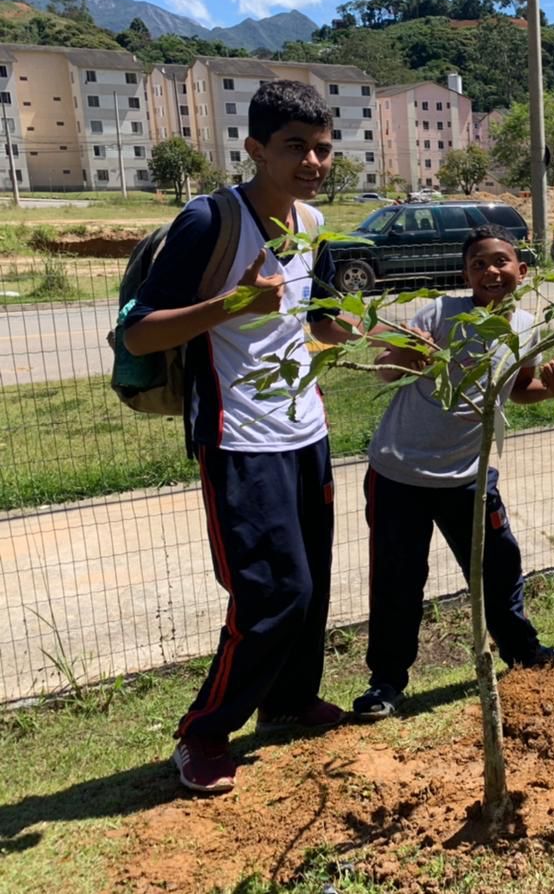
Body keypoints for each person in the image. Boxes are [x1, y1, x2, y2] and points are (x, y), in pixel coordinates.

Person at [123, 80, 355, 794]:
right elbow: (138, 328)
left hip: (304, 428)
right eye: (295, 147)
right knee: (270, 592)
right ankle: (203, 733)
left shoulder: (314, 223)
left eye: (321, 147)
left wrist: (344, 331)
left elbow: (312, 323)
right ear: (255, 148)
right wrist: (232, 303)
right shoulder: (209, 220)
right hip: (235, 436)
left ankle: (285, 701)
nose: (313, 161)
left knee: (309, 586)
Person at [352, 225, 554, 721]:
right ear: (465, 274)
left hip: (470, 477)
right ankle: (386, 682)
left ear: (521, 270)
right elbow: (389, 370)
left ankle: (522, 652)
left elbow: (518, 389)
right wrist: (411, 357)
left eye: (500, 261)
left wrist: (553, 391)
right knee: (398, 580)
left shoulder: (526, 325)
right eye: (478, 264)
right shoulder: (439, 313)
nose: (491, 271)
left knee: (499, 568)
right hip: (399, 474)